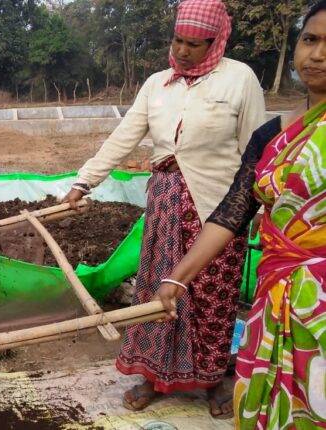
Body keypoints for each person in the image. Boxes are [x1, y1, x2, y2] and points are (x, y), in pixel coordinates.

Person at [62, 0, 266, 418]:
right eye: (178, 40)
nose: (184, 50)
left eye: (195, 43)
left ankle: (213, 380)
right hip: (165, 207)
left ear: (216, 42)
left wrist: (258, 208)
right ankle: (155, 377)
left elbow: (256, 151)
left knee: (211, 298)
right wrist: (83, 182)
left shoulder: (239, 79)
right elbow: (124, 136)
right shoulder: (157, 84)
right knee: (160, 292)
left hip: (219, 212)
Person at [157, 2, 326, 428]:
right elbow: (232, 212)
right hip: (278, 301)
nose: (318, 54)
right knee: (279, 404)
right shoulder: (271, 136)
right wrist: (179, 276)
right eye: (311, 39)